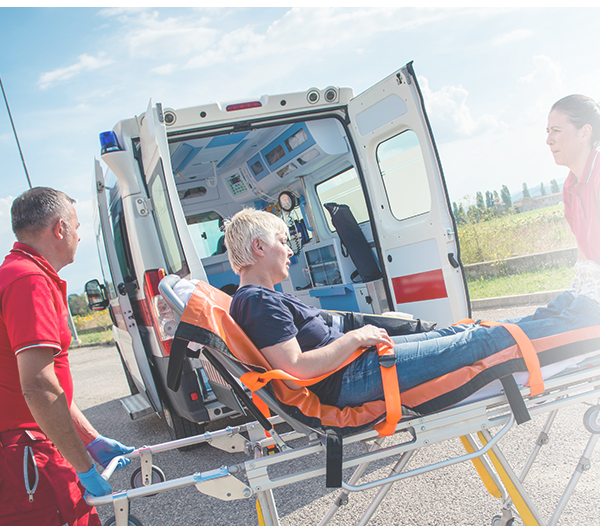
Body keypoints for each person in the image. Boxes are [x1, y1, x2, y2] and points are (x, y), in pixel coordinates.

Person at [224, 208, 600, 411]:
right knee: (483, 343)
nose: (290, 250)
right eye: (282, 241)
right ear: (259, 248)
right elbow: (295, 368)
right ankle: (587, 319)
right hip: (355, 377)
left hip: (360, 367)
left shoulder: (257, 299)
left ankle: (570, 309)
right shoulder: (258, 301)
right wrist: (357, 338)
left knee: (462, 332)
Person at [0, 187, 134, 526]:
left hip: (27, 446)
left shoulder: (21, 274)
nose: (78, 236)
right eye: (76, 227)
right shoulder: (28, 280)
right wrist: (84, 467)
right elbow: (39, 386)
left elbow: (51, 381)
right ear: (59, 229)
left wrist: (91, 439)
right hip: (22, 453)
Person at [547, 94, 600, 298]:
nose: (548, 140)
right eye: (548, 131)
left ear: (585, 133)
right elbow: (583, 250)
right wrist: (585, 275)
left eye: (556, 131)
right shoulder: (571, 185)